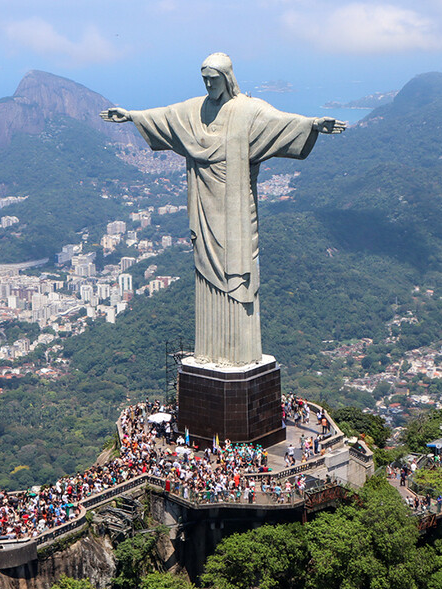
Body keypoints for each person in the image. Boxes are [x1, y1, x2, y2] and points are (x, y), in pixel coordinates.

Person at [102, 53, 344, 366]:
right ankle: (211, 352)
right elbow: (165, 116)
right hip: (203, 208)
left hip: (236, 212)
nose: (207, 84)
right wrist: (131, 115)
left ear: (227, 78)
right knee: (204, 270)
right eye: (203, 79)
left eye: (213, 79)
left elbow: (281, 123)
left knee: (237, 272)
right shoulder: (195, 110)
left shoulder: (248, 110)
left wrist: (313, 124)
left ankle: (239, 353)